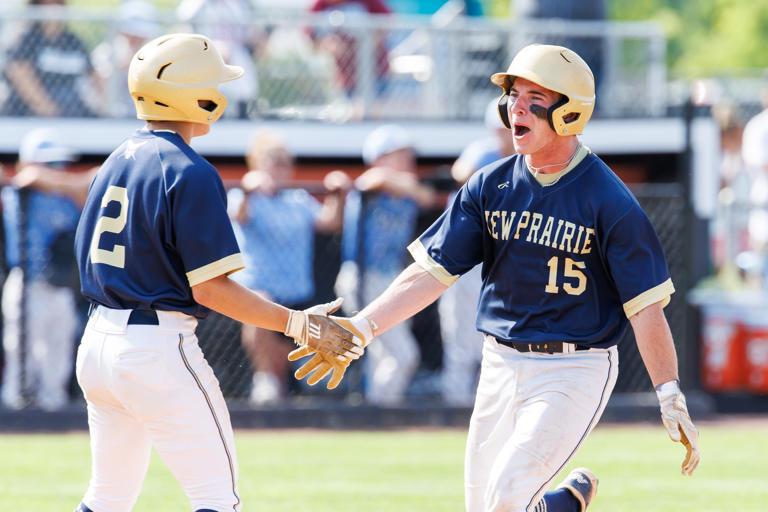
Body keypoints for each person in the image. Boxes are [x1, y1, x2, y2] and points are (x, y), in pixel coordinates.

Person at [294, 44, 701, 511]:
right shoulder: (490, 185)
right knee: (488, 506)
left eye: (534, 97)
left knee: (505, 498)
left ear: (570, 112)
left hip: (574, 369)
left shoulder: (610, 200)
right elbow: (430, 273)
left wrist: (669, 393)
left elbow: (645, 309)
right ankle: (565, 503)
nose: (516, 107)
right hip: (500, 363)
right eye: (513, 96)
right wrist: (361, 326)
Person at [71, 33, 360, 512]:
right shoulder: (188, 168)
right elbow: (209, 288)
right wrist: (298, 324)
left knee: (106, 497)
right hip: (155, 347)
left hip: (99, 341)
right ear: (190, 91)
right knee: (217, 499)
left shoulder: (115, 159)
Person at [228, 129, 351, 404]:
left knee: (288, 360)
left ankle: (282, 388)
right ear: (257, 162)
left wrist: (337, 194)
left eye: (286, 160)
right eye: (273, 159)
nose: (281, 167)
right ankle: (265, 381)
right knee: (258, 317)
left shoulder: (297, 198)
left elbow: (329, 222)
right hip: (261, 290)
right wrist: (249, 187)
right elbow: (238, 213)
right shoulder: (245, 194)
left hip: (297, 294)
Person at [334, 124, 438, 404]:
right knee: (403, 355)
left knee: (383, 354)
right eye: (399, 154)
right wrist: (405, 183)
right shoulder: (373, 182)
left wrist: (411, 185)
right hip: (363, 276)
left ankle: (375, 409)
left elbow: (427, 197)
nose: (408, 161)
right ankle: (380, 408)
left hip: (391, 277)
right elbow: (372, 179)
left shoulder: (408, 189)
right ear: (380, 158)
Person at [438, 98, 517, 406]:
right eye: (501, 129)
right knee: (460, 342)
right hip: (464, 259)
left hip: (497, 262)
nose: (506, 135)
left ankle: (488, 407)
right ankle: (454, 409)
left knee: (495, 343)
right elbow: (461, 172)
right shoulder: (483, 152)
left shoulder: (527, 162)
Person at [0, 128, 82, 412]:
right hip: (27, 285)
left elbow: (92, 181)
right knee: (22, 356)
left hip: (60, 287)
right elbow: (30, 176)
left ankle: (53, 412)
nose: (58, 170)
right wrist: (56, 179)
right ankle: (14, 410)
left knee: (58, 357)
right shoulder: (20, 190)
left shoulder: (66, 196)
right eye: (51, 164)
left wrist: (62, 181)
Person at [1, 0, 100, 117]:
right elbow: (18, 72)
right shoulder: (26, 39)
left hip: (71, 108)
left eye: (57, 4)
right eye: (46, 5)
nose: (53, 9)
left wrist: (103, 104)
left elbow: (94, 75)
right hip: (30, 113)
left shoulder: (73, 41)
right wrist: (49, 109)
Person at [91, 0, 160, 118]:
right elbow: (99, 86)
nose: (137, 37)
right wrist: (124, 64)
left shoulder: (156, 54)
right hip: (112, 116)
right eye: (132, 33)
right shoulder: (106, 52)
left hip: (146, 116)